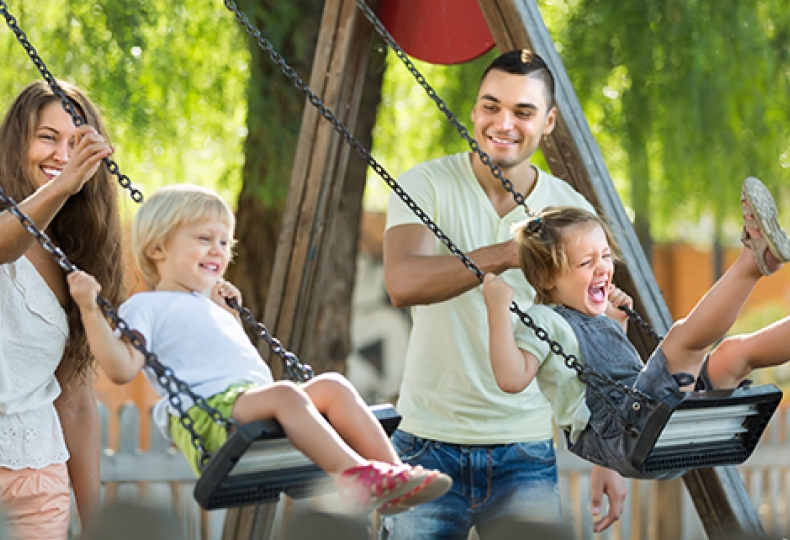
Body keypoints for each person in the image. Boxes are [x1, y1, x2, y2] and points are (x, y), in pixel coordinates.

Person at [67, 183, 452, 515]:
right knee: (286, 393)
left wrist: (227, 316)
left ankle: (394, 476)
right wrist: (89, 308)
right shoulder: (145, 306)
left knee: (332, 384)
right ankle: (356, 477)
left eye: (223, 241)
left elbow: (231, 360)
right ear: (157, 249)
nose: (218, 250)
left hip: (246, 402)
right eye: (204, 239)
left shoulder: (208, 304)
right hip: (211, 416)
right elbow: (121, 368)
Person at [381, 49, 626, 538]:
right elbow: (403, 283)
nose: (503, 122)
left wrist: (610, 458)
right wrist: (509, 253)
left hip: (525, 450)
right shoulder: (425, 184)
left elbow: (592, 336)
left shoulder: (570, 208)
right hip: (426, 443)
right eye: (491, 106)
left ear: (550, 121)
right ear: (473, 110)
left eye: (523, 111)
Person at [482, 176, 790, 479]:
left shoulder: (595, 318)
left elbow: (614, 372)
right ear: (548, 278)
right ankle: (753, 261)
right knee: (684, 340)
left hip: (653, 428)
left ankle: (757, 258)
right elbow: (511, 379)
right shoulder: (544, 319)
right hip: (628, 433)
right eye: (587, 262)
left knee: (733, 354)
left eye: (605, 256)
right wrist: (497, 310)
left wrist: (616, 324)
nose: (603, 267)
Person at [0, 80, 123, 539]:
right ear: (17, 142)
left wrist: (97, 524)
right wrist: (65, 183)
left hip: (38, 476)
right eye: (48, 137)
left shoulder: (75, 257)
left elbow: (74, 400)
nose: (62, 155)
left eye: (76, 144)